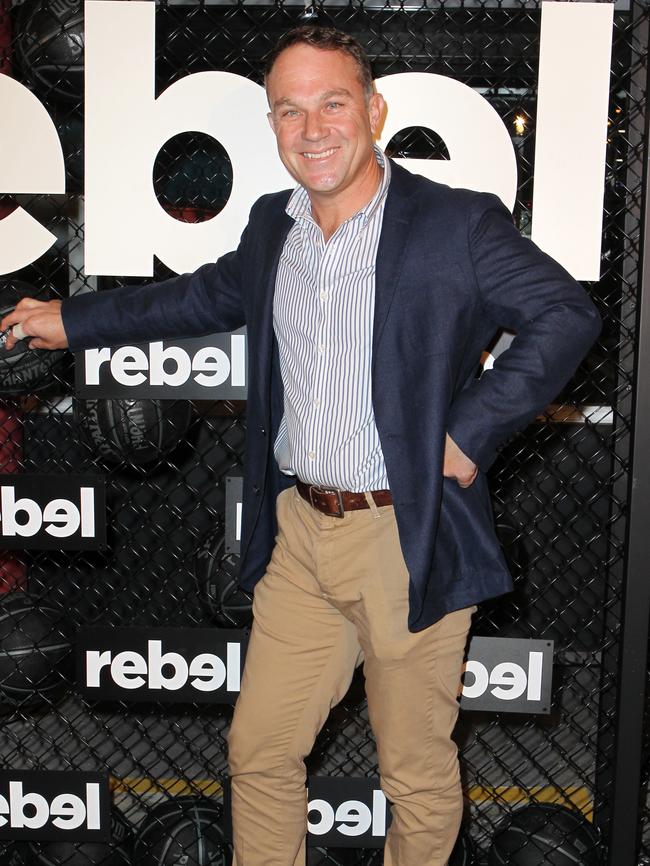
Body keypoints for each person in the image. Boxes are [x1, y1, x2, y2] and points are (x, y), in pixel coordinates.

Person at [1, 26, 600, 866]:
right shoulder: (272, 225)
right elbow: (197, 297)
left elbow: (568, 315)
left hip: (405, 537)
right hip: (302, 535)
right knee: (258, 752)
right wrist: (72, 320)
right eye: (290, 110)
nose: (311, 128)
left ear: (374, 110)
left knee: (414, 776)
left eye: (332, 103)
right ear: (273, 126)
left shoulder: (453, 224)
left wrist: (473, 428)